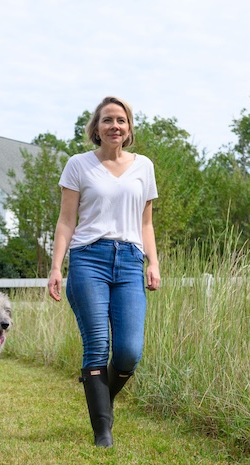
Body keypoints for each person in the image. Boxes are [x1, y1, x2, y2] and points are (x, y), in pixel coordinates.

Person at [47, 96, 160, 447]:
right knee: (97, 345)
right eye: (108, 120)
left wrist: (153, 262)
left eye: (121, 120)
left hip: (129, 260)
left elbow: (146, 223)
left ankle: (100, 402)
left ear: (129, 129)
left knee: (128, 352)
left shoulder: (144, 166)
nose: (115, 126)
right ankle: (103, 434)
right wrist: (55, 266)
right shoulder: (78, 165)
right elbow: (67, 221)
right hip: (88, 259)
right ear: (96, 128)